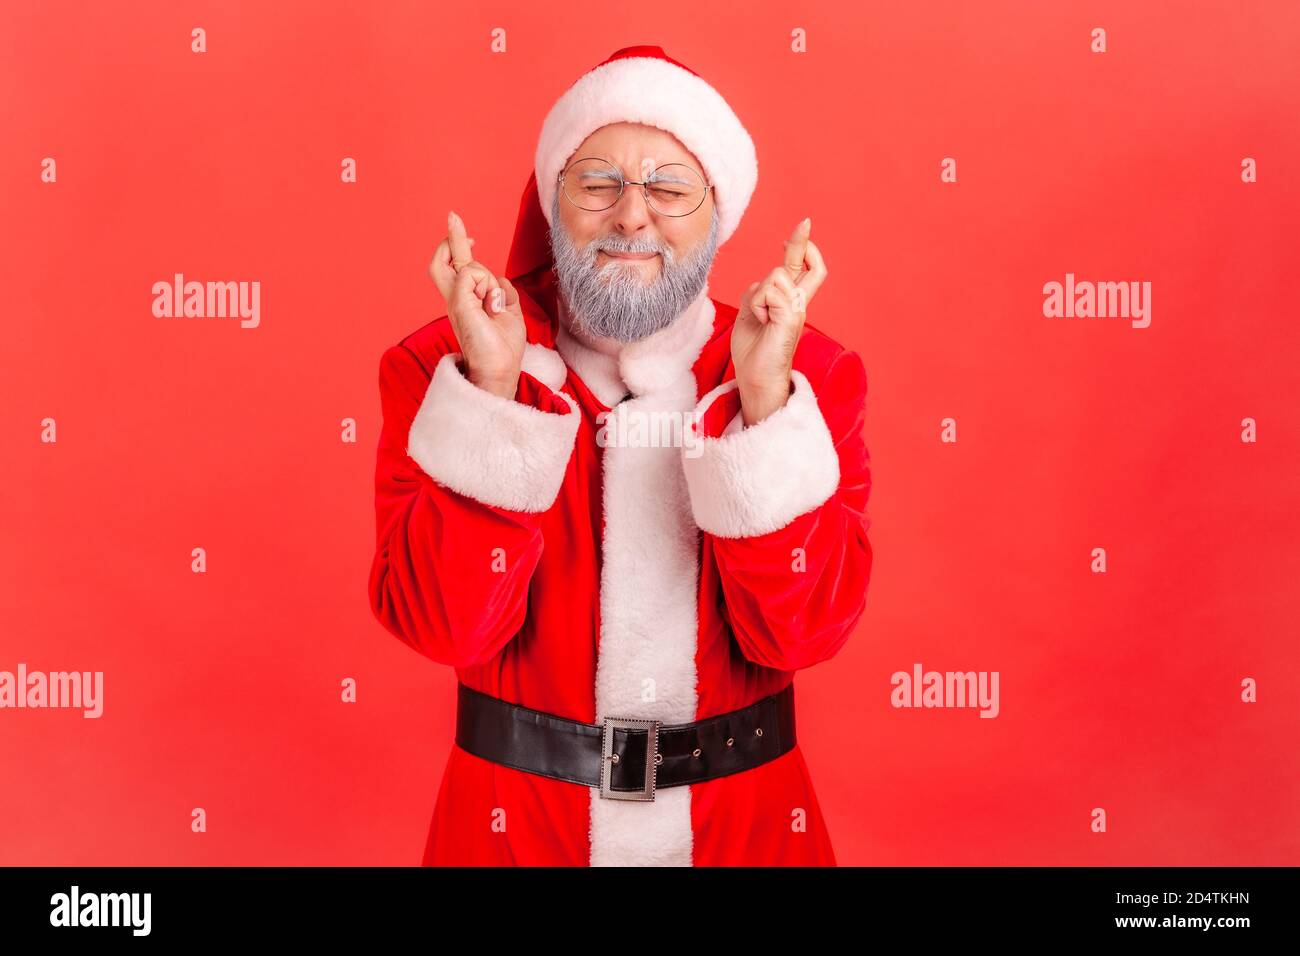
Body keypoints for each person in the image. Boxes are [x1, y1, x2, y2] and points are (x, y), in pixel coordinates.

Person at [367, 45, 874, 866]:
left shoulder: (807, 377)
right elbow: (442, 626)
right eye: (598, 183)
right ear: (552, 201)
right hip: (512, 834)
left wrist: (764, 406)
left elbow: (803, 636)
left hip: (742, 833)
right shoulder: (449, 368)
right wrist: (495, 397)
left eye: (670, 189)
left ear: (717, 215)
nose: (632, 217)